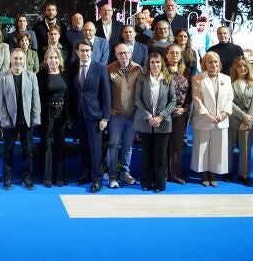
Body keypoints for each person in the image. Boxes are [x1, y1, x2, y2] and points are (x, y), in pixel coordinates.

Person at [69, 40, 111, 193]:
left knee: (95, 149)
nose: (84, 53)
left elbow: (106, 93)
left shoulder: (100, 67)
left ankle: (97, 178)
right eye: (82, 50)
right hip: (79, 115)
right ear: (77, 52)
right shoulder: (72, 67)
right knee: (84, 147)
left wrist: (105, 117)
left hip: (95, 116)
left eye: (87, 50)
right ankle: (86, 173)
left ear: (91, 51)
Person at [0, 49, 41, 190]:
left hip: (26, 121)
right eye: (15, 58)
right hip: (9, 122)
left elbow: (35, 99)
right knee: (8, 150)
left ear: (24, 60)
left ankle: (27, 176)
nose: (18, 61)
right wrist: (5, 121)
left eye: (21, 59)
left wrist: (35, 118)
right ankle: (7, 178)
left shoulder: (32, 76)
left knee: (27, 151)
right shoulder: (2, 77)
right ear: (10, 59)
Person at [133, 52, 176, 192]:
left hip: (163, 123)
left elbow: (173, 101)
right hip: (146, 123)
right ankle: (146, 182)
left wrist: (160, 117)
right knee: (147, 154)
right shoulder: (142, 78)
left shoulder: (168, 79)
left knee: (160, 156)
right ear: (149, 64)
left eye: (158, 62)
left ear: (161, 64)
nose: (155, 65)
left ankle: (159, 184)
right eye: (152, 62)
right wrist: (149, 117)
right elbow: (137, 99)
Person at [190, 51, 233, 187]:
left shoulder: (226, 78)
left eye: (216, 62)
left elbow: (229, 98)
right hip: (204, 119)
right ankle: (203, 175)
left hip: (221, 119)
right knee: (202, 148)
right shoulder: (197, 78)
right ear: (205, 64)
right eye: (210, 62)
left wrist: (223, 114)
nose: (213, 64)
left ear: (219, 63)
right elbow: (197, 100)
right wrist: (207, 115)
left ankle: (213, 174)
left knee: (217, 148)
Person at [106, 43, 142, 188]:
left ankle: (125, 173)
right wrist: (108, 108)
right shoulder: (109, 69)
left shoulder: (138, 68)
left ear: (130, 53)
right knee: (114, 145)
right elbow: (104, 91)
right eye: (120, 53)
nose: (123, 56)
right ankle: (112, 175)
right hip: (116, 115)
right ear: (116, 55)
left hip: (133, 115)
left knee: (128, 146)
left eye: (126, 53)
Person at [37, 47, 69, 187]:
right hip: (46, 114)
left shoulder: (65, 75)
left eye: (56, 58)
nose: (53, 60)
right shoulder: (41, 75)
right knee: (47, 144)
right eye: (50, 58)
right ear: (46, 60)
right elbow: (37, 97)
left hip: (62, 114)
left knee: (60, 144)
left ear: (59, 60)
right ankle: (47, 177)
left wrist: (69, 117)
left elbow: (70, 97)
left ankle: (60, 177)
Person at [226, 56, 253, 186]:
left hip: (247, 123)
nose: (242, 68)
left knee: (246, 150)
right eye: (239, 66)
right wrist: (243, 116)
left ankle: (244, 175)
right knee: (228, 148)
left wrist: (247, 120)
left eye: (245, 66)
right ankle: (227, 172)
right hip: (233, 120)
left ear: (249, 67)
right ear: (235, 68)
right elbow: (229, 102)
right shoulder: (229, 82)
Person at [165, 44, 192, 185]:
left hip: (180, 113)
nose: (174, 55)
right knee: (163, 144)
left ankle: (175, 174)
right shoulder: (161, 71)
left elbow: (191, 93)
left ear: (180, 55)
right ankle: (163, 173)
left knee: (177, 145)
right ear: (167, 55)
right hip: (164, 113)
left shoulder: (187, 72)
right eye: (171, 53)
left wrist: (184, 108)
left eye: (177, 53)